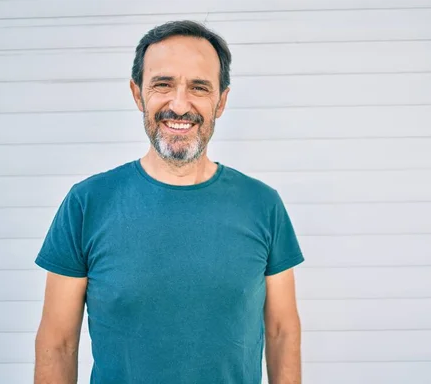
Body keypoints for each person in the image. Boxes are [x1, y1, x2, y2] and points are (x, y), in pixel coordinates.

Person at [34, 20, 304, 384]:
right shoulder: (86, 204)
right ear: (137, 93)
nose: (180, 105)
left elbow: (281, 332)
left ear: (221, 101)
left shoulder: (263, 205)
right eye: (163, 84)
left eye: (199, 87)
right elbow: (58, 344)